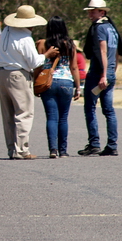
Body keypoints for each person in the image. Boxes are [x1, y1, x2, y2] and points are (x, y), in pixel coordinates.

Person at [0, 5, 57, 160]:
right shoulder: (25, 38)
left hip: (2, 73)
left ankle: (12, 149)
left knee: (8, 114)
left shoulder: (6, 31)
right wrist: (47, 54)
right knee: (23, 113)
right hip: (18, 75)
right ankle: (22, 150)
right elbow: (34, 62)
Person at [79, 0, 122, 156]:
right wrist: (113, 71)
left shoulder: (99, 28)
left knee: (90, 108)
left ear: (102, 12)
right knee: (109, 110)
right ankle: (112, 145)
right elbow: (117, 52)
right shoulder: (112, 27)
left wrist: (104, 75)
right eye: (90, 11)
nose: (91, 13)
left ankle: (94, 143)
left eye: (94, 11)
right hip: (109, 72)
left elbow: (103, 51)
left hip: (99, 74)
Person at [35, 17, 81, 158]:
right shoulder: (70, 44)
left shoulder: (42, 43)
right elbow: (74, 67)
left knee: (51, 117)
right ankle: (63, 151)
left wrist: (35, 84)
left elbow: (38, 65)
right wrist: (78, 87)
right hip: (66, 81)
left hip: (48, 82)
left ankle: (52, 150)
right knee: (63, 118)